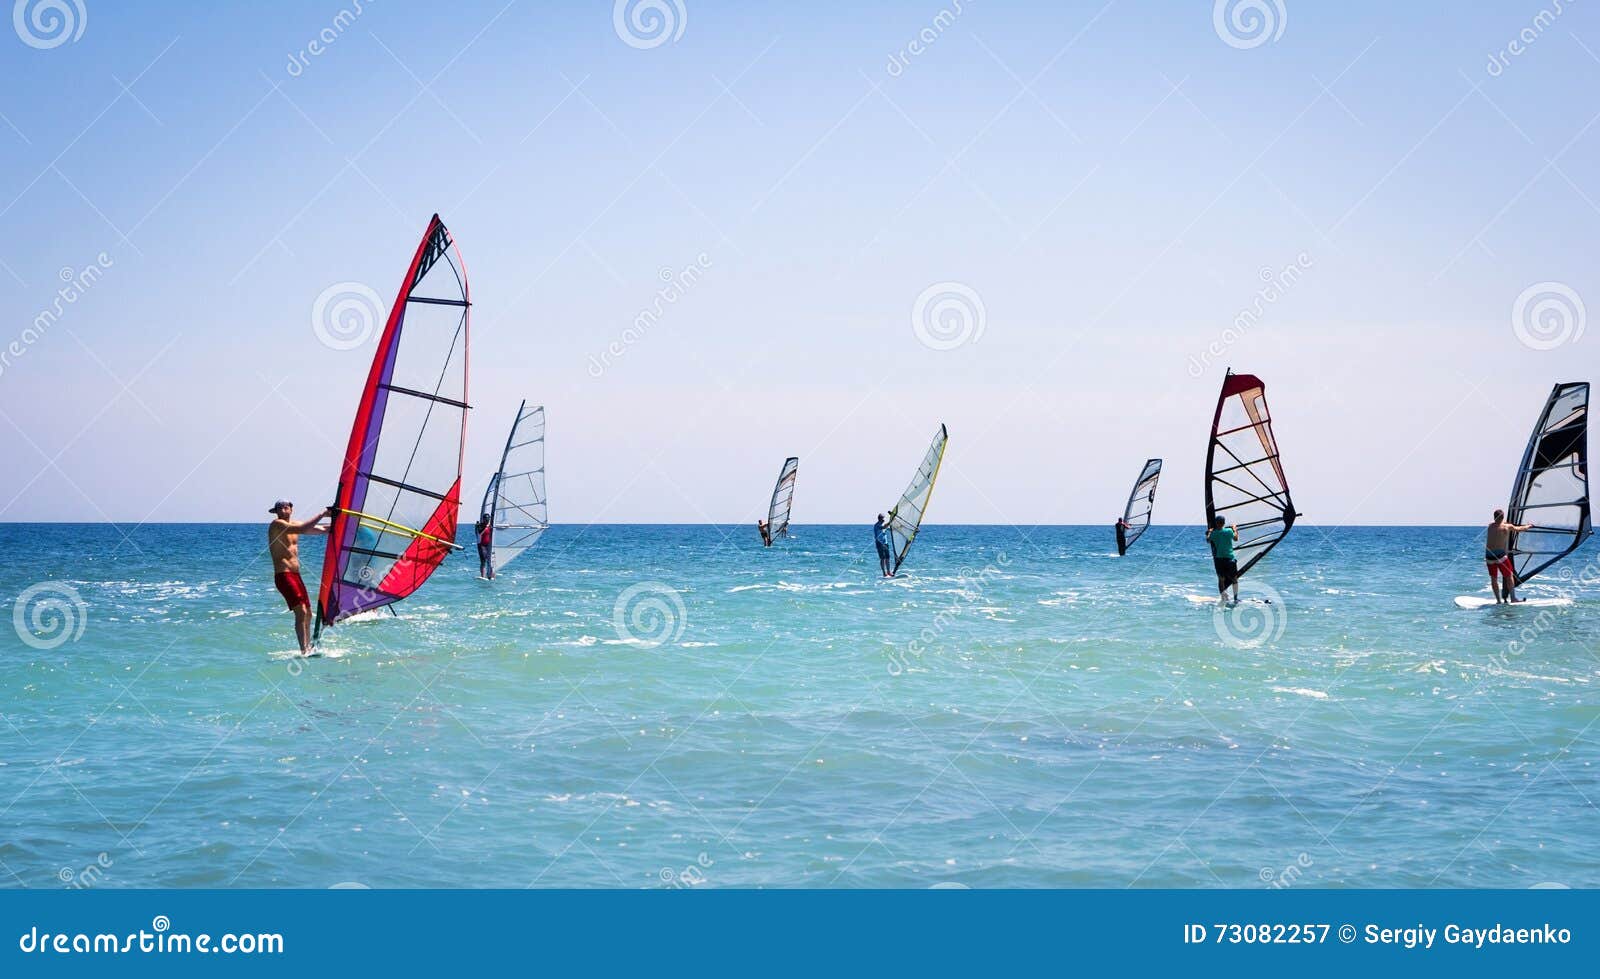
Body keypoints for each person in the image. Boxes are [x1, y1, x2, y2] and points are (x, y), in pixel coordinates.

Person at [267, 500, 333, 654]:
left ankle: (308, 646)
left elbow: (323, 529)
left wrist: (344, 522)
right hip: (283, 575)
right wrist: (323, 513)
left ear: (291, 509)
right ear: (276, 512)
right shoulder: (277, 524)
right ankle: (303, 650)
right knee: (301, 612)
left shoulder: (295, 525)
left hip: (296, 575)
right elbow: (303, 528)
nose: (283, 511)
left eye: (286, 507)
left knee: (308, 613)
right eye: (279, 509)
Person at [1485, 508, 1532, 604]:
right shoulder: (1507, 527)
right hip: (1500, 555)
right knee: (1509, 576)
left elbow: (1498, 522)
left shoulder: (1490, 526)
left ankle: (1498, 601)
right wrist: (1529, 525)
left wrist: (1502, 521)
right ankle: (1513, 598)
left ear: (1494, 517)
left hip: (1489, 555)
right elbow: (1519, 529)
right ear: (1503, 517)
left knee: (1493, 578)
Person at [1205, 515, 1239, 604]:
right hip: (1230, 558)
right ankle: (1235, 599)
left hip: (1219, 559)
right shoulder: (1228, 531)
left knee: (1221, 579)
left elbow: (1208, 540)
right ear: (1224, 523)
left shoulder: (1214, 533)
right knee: (1234, 579)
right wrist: (1234, 529)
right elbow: (1236, 539)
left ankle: (1223, 598)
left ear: (1216, 523)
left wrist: (1209, 532)